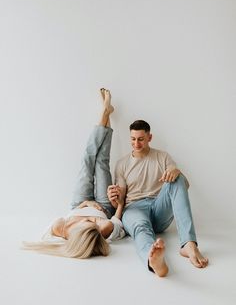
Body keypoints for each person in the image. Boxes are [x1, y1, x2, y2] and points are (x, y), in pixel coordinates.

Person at [23, 89, 125, 259]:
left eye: (89, 223)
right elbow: (116, 222)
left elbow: (60, 223)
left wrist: (83, 204)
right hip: (103, 205)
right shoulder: (103, 229)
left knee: (87, 159)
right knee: (101, 161)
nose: (92, 221)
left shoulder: (60, 228)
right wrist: (118, 203)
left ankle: (106, 112)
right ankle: (106, 113)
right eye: (94, 224)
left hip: (79, 203)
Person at [108, 120, 208, 277]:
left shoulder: (163, 157)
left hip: (159, 209)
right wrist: (113, 196)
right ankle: (153, 260)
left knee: (178, 176)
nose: (136, 143)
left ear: (149, 137)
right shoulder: (122, 164)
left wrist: (175, 171)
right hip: (134, 208)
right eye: (133, 139)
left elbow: (183, 186)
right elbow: (120, 198)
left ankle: (188, 244)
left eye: (141, 139)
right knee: (140, 227)